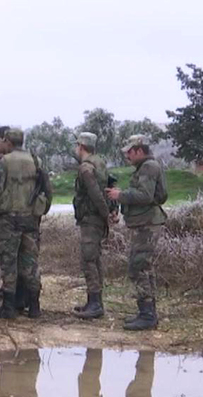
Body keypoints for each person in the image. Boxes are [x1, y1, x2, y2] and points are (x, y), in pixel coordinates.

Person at [0, 128, 48, 319]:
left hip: (9, 218)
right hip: (30, 218)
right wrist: (40, 212)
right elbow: (47, 189)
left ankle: (8, 307)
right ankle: (34, 306)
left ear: (8, 142)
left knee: (9, 261)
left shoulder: (4, 163)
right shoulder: (36, 161)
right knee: (30, 262)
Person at [106, 134, 167, 331]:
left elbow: (146, 195)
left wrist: (120, 195)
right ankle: (147, 313)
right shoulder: (148, 166)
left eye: (129, 153)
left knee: (138, 267)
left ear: (139, 150)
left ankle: (147, 315)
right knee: (144, 267)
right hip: (146, 222)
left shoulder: (149, 167)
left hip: (147, 224)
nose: (127, 157)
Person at [72, 132, 111, 319]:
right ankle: (94, 301)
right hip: (96, 218)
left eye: (76, 145)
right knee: (94, 259)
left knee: (88, 260)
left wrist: (106, 215)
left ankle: (95, 304)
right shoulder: (100, 162)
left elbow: (96, 194)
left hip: (90, 218)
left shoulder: (86, 168)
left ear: (81, 146)